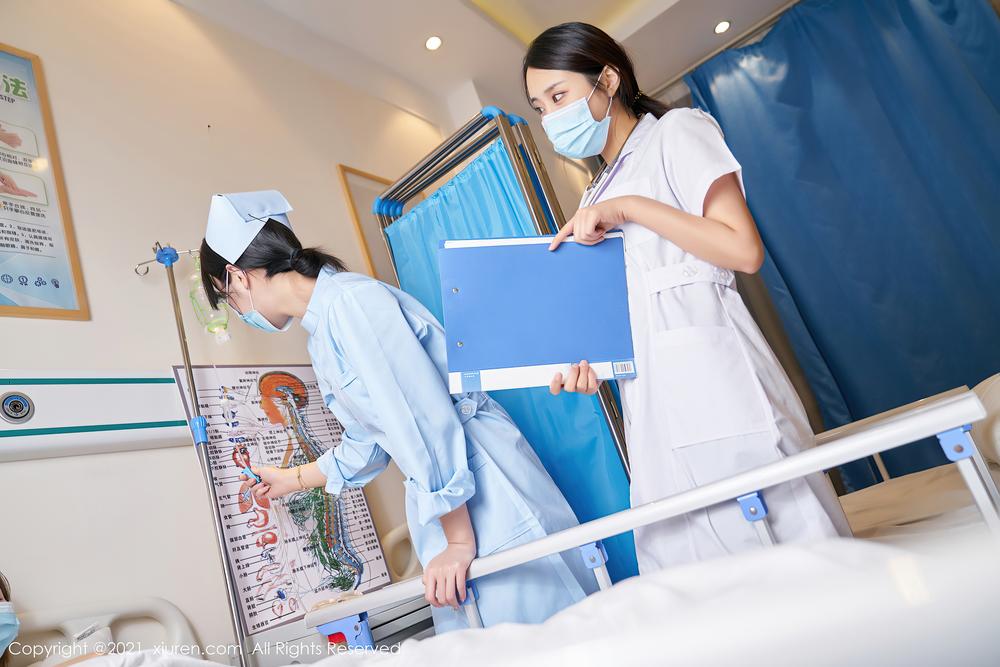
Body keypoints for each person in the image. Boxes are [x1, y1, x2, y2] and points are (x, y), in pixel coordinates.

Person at [524, 22, 852, 573]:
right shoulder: (595, 192)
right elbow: (627, 313)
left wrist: (630, 208)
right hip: (652, 407)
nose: (551, 118)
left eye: (559, 97)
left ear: (608, 80)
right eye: (540, 108)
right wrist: (592, 367)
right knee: (695, 577)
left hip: (719, 381)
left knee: (791, 560)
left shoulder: (676, 132)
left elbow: (742, 249)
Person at [199, 190, 596, 632]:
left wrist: (458, 541)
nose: (237, 311)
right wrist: (291, 479)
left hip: (481, 487)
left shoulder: (350, 304)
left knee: (552, 633)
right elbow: (370, 440)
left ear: (237, 276)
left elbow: (420, 419)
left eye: (227, 298)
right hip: (452, 500)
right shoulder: (323, 330)